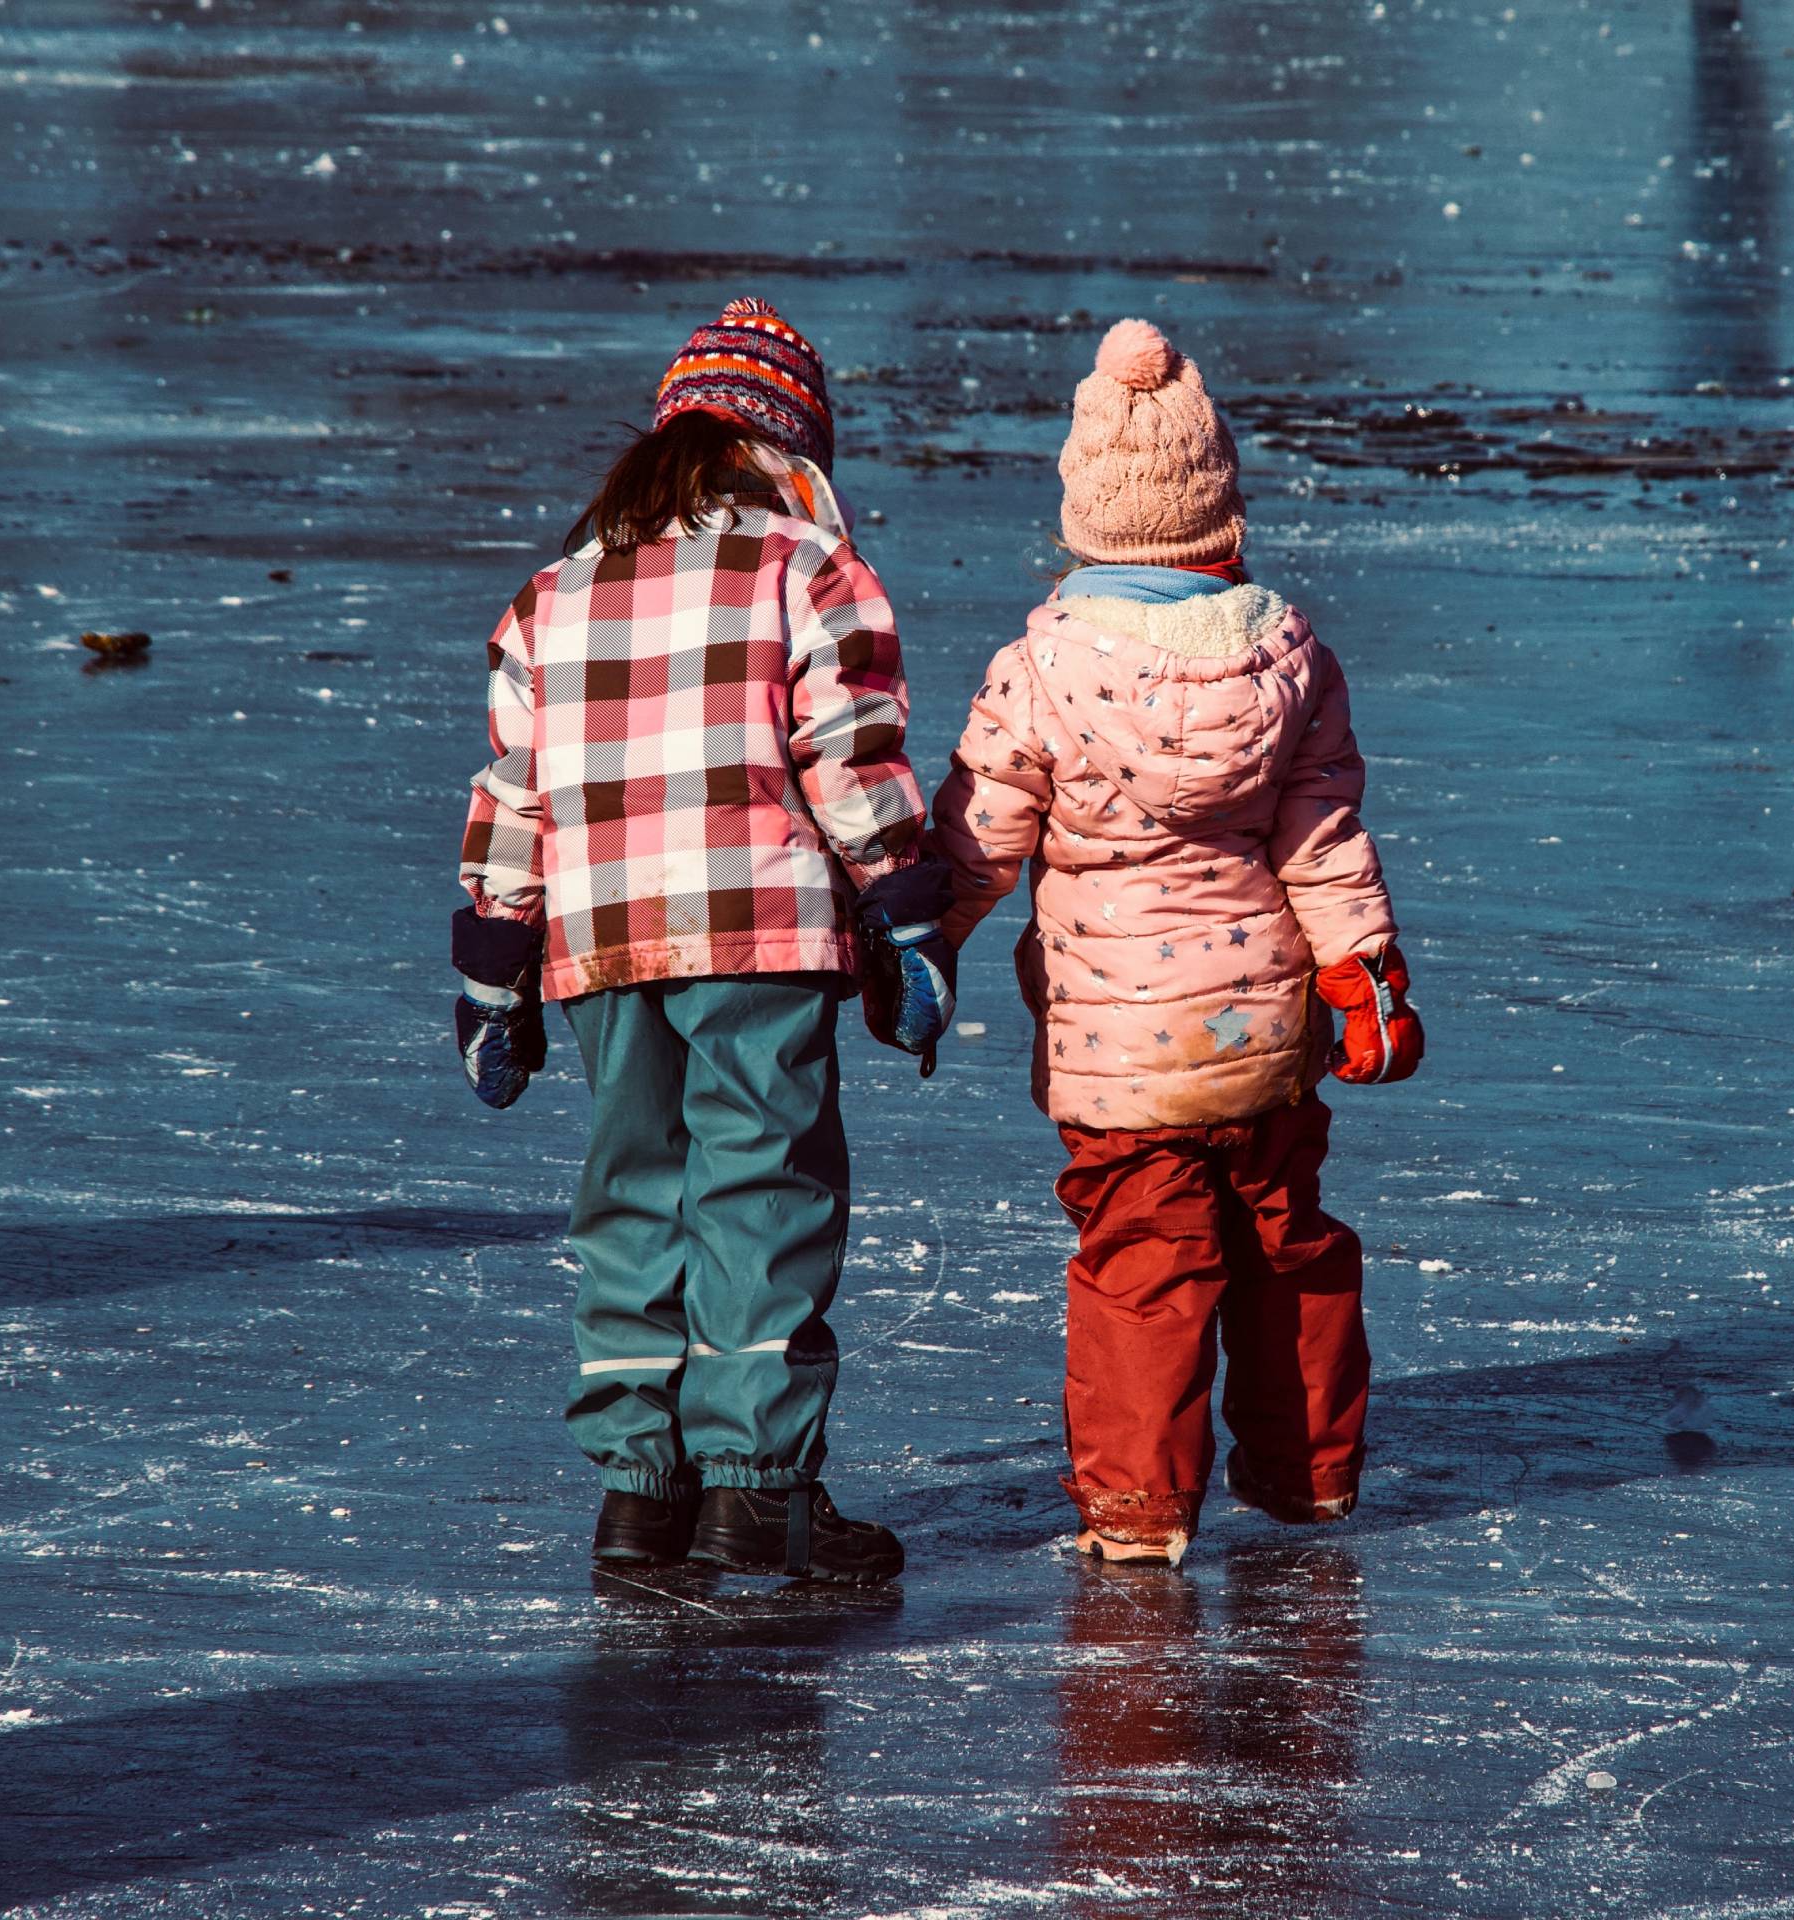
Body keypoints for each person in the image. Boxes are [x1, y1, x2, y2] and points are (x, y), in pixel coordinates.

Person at [451, 296, 954, 1584]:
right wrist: (909, 915)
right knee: (761, 1192)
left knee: (630, 1191)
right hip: (759, 932)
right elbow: (852, 765)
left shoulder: (554, 595)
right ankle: (757, 1490)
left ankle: (640, 1492)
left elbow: (516, 789)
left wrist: (493, 969)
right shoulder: (809, 568)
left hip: (605, 944)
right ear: (790, 448)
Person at [928, 319, 1425, 1567]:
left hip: (1119, 1049)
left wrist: (917, 943)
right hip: (1260, 1033)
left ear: (1085, 525)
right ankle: (1308, 1474)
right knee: (1283, 1236)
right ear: (1220, 517)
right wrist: (1362, 977)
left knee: (1145, 1263)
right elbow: (1323, 840)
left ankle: (1141, 1512)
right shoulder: (1288, 657)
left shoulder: (1040, 667)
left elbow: (982, 839)